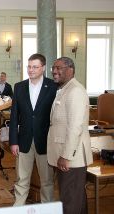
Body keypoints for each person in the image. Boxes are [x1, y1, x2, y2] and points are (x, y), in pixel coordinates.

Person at [9, 53, 57, 206]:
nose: (31, 70)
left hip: (46, 142)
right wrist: (13, 141)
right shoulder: (19, 87)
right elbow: (14, 116)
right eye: (29, 66)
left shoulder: (53, 87)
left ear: (43, 68)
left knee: (47, 181)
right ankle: (18, 209)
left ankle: (47, 209)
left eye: (35, 67)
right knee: (21, 180)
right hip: (23, 142)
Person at [47, 57, 93, 214]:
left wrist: (66, 156)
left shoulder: (75, 91)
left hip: (72, 158)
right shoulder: (64, 89)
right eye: (53, 67)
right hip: (67, 156)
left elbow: (75, 127)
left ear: (70, 69)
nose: (54, 71)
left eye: (58, 68)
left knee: (69, 201)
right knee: (76, 198)